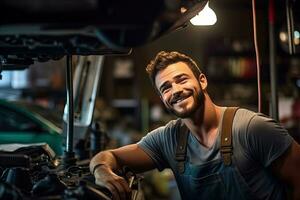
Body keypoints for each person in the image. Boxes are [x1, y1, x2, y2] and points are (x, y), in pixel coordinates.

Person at [90, 51, 300, 200]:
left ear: (202, 81)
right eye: (166, 88)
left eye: (181, 79)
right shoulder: (168, 139)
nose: (176, 90)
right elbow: (109, 156)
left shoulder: (251, 128)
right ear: (162, 98)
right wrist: (101, 171)